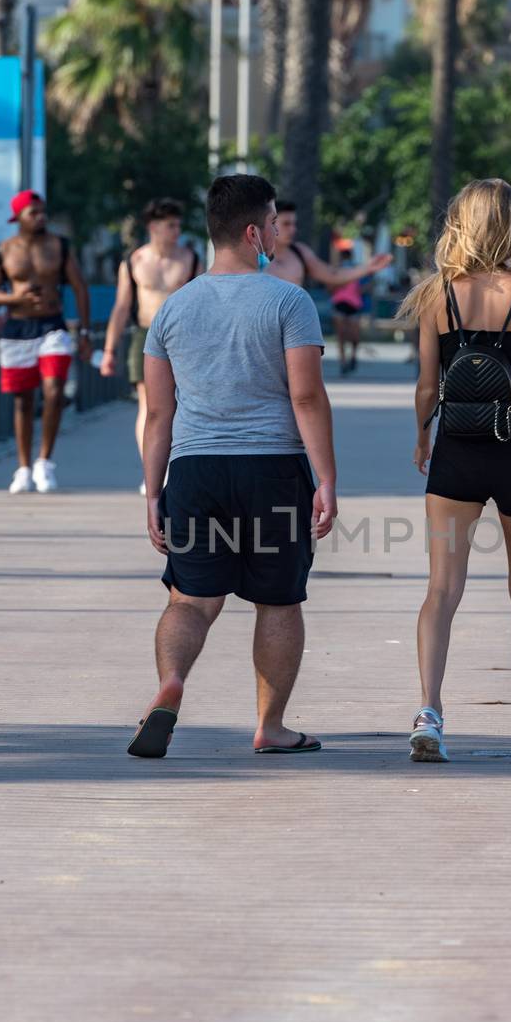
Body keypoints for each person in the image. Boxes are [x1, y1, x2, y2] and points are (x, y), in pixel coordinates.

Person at [125, 173, 337, 759]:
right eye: (273, 222)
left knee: (190, 601)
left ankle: (172, 684)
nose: (278, 231)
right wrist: (327, 478)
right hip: (271, 470)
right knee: (277, 600)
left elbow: (158, 413)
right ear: (253, 231)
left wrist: (153, 493)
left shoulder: (173, 309)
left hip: (195, 473)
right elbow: (306, 398)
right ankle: (271, 727)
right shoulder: (288, 301)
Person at [401, 178, 511, 763]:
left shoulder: (436, 296)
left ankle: (429, 710)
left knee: (441, 590)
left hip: (457, 450)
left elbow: (427, 386)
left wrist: (423, 437)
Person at [0, 189, 92, 495]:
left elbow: (79, 287)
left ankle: (45, 461)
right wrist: (13, 297)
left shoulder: (58, 246)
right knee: (23, 400)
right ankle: (24, 467)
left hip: (52, 326)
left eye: (43, 212)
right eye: (34, 213)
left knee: (54, 390)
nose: (41, 217)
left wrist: (84, 331)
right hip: (17, 329)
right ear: (19, 217)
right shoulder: (4, 250)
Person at [102, 198, 201, 496]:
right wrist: (109, 349)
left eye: (178, 225)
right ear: (153, 227)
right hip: (145, 334)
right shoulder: (134, 261)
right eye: (170, 225)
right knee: (149, 405)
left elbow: (202, 303)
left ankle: (175, 463)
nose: (176, 231)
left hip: (183, 337)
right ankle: (152, 469)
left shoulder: (189, 259)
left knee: (181, 403)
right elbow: (122, 307)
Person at [263, 200, 392, 291]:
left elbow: (332, 275)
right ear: (270, 223)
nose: (293, 229)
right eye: (286, 224)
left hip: (293, 326)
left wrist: (368, 267)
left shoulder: (300, 252)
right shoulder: (253, 254)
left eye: (294, 224)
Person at [330, 270, 368, 375]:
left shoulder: (357, 272)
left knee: (354, 335)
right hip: (340, 304)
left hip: (354, 305)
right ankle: (342, 362)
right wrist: (338, 284)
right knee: (341, 335)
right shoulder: (336, 273)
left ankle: (353, 357)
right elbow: (329, 289)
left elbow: (362, 289)